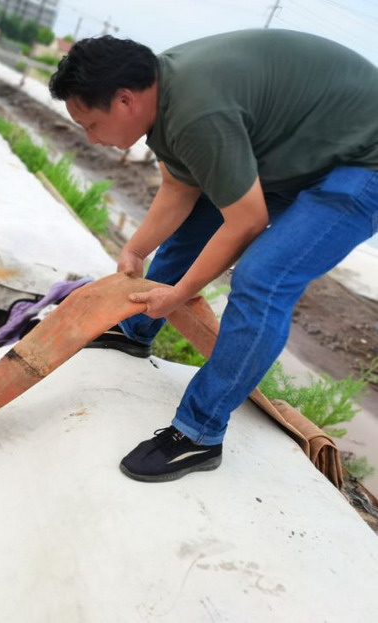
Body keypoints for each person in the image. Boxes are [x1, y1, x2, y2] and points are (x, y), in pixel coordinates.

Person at [48, 30, 378, 482]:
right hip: (306, 149)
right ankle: (136, 329)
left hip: (365, 161)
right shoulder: (162, 92)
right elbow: (180, 187)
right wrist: (135, 249)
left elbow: (247, 222)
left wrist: (180, 293)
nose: (91, 138)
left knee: (263, 278)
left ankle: (199, 431)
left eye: (91, 125)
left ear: (124, 100)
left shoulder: (196, 110)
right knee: (198, 220)